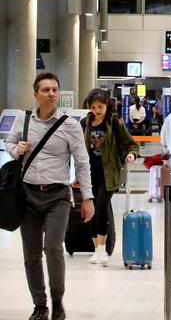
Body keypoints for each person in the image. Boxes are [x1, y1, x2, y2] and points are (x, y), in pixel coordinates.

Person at [5, 73, 95, 320]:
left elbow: (82, 162)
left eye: (55, 89)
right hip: (28, 195)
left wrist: (87, 198)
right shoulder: (23, 121)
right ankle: (40, 305)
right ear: (35, 95)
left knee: (53, 247)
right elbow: (9, 145)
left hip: (58, 196)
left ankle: (57, 300)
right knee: (31, 253)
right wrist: (16, 149)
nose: (51, 94)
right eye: (45, 90)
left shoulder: (69, 125)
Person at [80, 89, 139, 265]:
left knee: (101, 205)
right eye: (93, 107)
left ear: (107, 105)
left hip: (109, 174)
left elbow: (131, 144)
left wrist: (131, 155)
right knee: (90, 209)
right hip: (89, 174)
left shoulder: (114, 123)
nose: (97, 110)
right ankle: (96, 249)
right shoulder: (85, 123)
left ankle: (102, 249)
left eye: (100, 106)